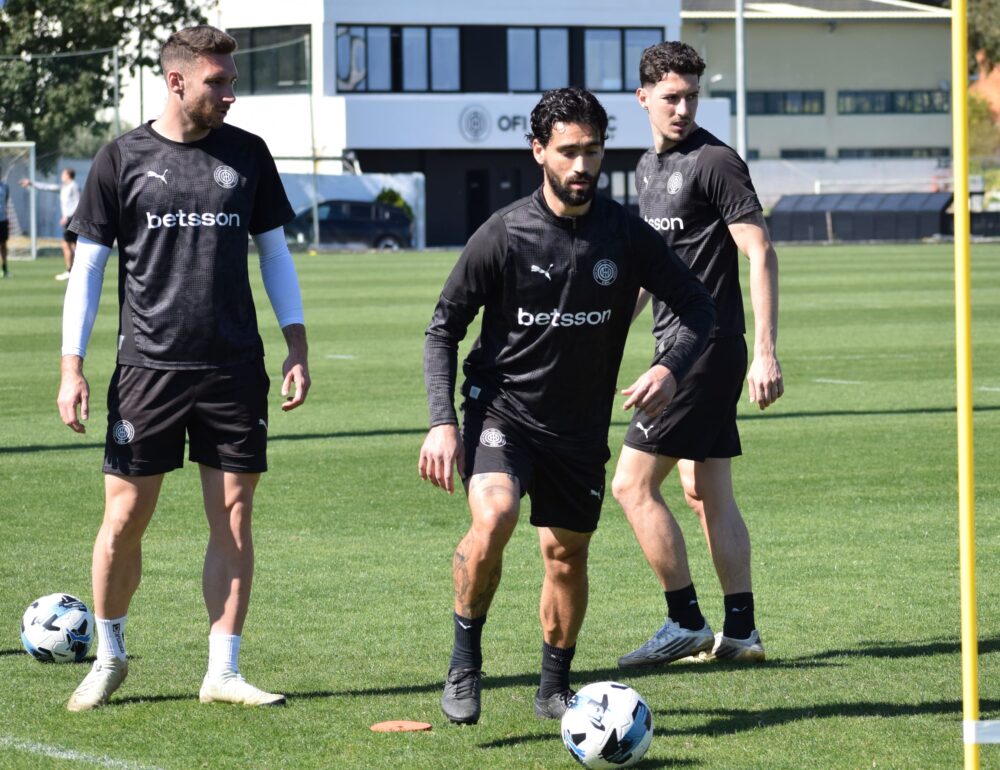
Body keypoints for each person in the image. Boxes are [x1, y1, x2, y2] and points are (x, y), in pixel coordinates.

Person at [419, 86, 716, 725]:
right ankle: (465, 664)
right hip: (502, 412)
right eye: (568, 151)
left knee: (565, 554)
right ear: (538, 151)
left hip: (577, 430)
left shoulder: (624, 233)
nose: (582, 165)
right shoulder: (503, 233)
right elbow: (443, 329)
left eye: (593, 151)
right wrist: (442, 422)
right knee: (495, 516)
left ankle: (554, 687)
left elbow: (699, 306)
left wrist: (669, 367)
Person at [57, 25, 310, 712]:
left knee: (234, 516)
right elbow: (88, 271)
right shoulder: (121, 158)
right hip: (149, 369)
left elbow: (274, 254)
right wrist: (71, 367)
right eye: (216, 82)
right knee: (124, 518)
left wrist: (296, 343)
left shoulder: (248, 154)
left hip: (234, 369)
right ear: (176, 81)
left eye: (231, 81)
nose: (230, 94)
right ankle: (109, 656)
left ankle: (222, 670)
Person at [612, 41, 783, 669]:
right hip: (679, 348)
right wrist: (606, 334)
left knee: (630, 485)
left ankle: (684, 620)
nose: (683, 109)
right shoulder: (645, 168)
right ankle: (741, 632)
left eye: (691, 97)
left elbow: (759, 252)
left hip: (704, 351)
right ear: (643, 98)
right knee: (704, 488)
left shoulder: (716, 161)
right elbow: (649, 273)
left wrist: (766, 352)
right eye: (671, 98)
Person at [20, 167, 80, 280]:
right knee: (70, 244)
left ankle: (72, 270)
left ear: (68, 175)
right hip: (69, 219)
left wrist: (68, 217)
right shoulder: (64, 187)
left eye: (63, 174)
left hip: (72, 219)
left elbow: (78, 203)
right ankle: (73, 270)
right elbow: (48, 187)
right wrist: (32, 183)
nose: (62, 176)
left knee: (70, 244)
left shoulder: (74, 186)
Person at [0, 177, 9, 278]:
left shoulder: (5, 186)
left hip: (3, 220)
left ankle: (4, 269)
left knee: (3, 245)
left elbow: (5, 203)